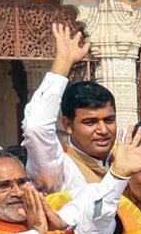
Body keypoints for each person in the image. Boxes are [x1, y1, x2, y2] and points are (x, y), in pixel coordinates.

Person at [25, 24, 119, 194]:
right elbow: (35, 127)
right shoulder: (58, 168)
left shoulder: (122, 161)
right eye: (90, 122)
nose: (103, 130)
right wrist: (63, 64)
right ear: (68, 125)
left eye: (109, 120)